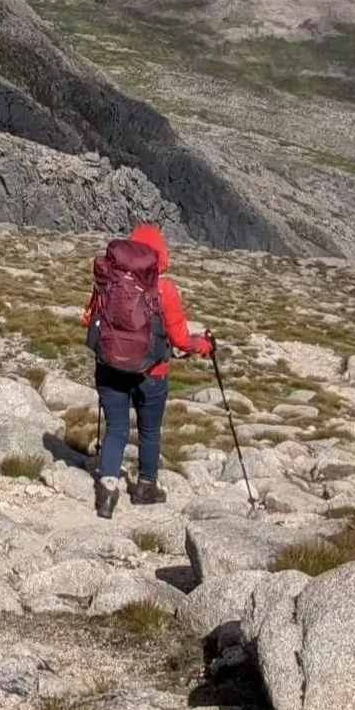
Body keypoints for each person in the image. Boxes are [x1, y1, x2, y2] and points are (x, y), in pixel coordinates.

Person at [83, 221, 213, 517]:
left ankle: (106, 491)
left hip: (110, 367)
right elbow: (180, 340)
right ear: (160, 254)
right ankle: (146, 487)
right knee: (150, 431)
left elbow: (89, 319)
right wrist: (204, 345)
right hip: (152, 373)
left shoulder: (107, 281)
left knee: (116, 429)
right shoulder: (164, 289)